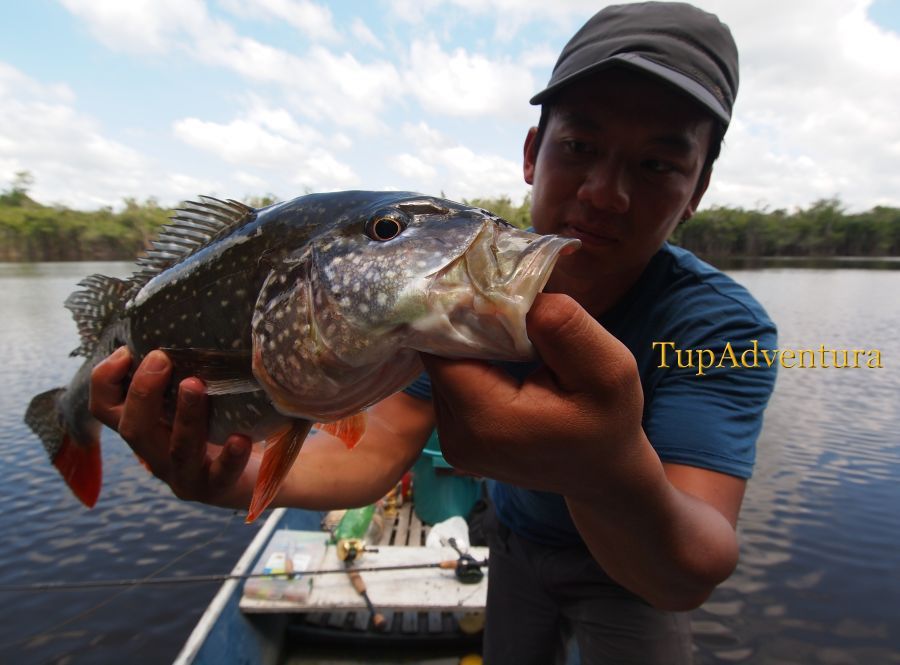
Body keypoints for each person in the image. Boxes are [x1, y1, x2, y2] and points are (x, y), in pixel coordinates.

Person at [89, 3, 777, 663]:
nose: (605, 191)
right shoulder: (448, 298)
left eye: (657, 164)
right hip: (509, 546)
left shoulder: (717, 327)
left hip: (636, 578)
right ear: (533, 152)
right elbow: (374, 449)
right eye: (580, 145)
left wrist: (599, 470)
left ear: (698, 189)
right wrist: (226, 475)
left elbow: (690, 571)